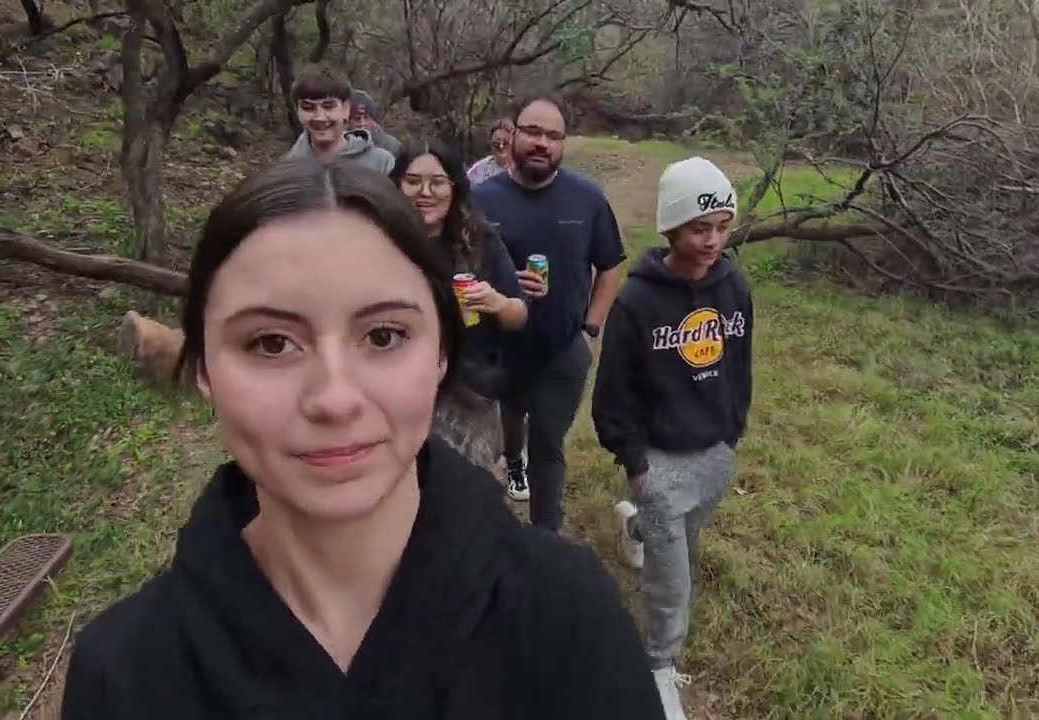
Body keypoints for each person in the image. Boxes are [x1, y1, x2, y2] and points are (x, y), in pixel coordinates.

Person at [60, 160, 664, 719]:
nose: (335, 398)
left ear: (441, 355)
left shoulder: (568, 619)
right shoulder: (123, 678)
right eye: (271, 343)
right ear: (203, 372)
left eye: (382, 336)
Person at [591, 157, 753, 720]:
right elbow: (611, 394)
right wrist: (637, 464)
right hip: (658, 459)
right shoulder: (637, 302)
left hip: (713, 452)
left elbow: (739, 366)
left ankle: (634, 524)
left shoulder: (735, 288)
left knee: (679, 537)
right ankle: (658, 664)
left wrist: (732, 431)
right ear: (671, 228)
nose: (712, 240)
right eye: (699, 228)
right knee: (672, 580)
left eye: (722, 227)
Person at [472, 95, 626, 528]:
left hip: (563, 347)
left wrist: (591, 329)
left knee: (548, 444)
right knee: (510, 423)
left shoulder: (587, 199)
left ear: (563, 144)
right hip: (498, 351)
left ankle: (544, 539)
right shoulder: (481, 200)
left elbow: (611, 267)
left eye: (554, 136)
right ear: (513, 134)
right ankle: (510, 463)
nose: (543, 143)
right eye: (533, 132)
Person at [391, 137, 527, 470]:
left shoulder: (479, 240)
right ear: (395, 185)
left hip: (468, 393)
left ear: (454, 187)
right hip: (396, 391)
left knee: (460, 494)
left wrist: (497, 303)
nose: (425, 192)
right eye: (413, 182)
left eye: (437, 182)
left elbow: (519, 315)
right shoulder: (378, 241)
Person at [283, 63, 394, 174]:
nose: (319, 117)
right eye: (308, 107)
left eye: (328, 106)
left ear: (346, 108)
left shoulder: (382, 163)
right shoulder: (286, 168)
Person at [349, 89, 404, 156]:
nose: (362, 123)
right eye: (357, 119)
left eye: (366, 118)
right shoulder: (338, 146)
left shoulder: (392, 147)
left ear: (372, 119)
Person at [467, 118, 514, 186]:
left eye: (505, 142)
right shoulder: (479, 168)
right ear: (490, 142)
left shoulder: (521, 169)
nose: (501, 146)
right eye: (496, 143)